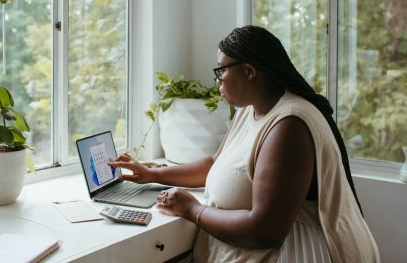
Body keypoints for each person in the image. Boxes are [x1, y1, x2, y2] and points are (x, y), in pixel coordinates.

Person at [108, 25, 380, 263]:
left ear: (249, 71)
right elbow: (214, 164)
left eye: (221, 72)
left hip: (297, 253)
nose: (217, 82)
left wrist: (192, 209)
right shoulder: (249, 110)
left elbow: (264, 231)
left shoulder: (289, 126)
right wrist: (152, 174)